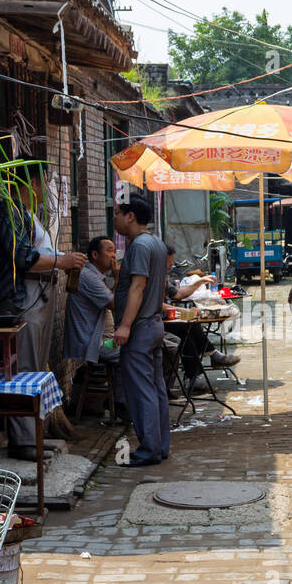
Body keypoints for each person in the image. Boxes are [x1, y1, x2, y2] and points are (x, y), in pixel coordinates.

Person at [0, 162, 85, 462]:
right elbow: (23, 258)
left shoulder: (28, 214)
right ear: (30, 182)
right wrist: (62, 261)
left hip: (38, 294)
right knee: (24, 369)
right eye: (43, 181)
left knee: (34, 367)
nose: (46, 188)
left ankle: (34, 436)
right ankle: (23, 441)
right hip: (21, 299)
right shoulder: (9, 210)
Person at [113, 197, 170, 466]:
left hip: (140, 327)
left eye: (117, 214)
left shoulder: (139, 246)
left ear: (130, 216)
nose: (114, 219)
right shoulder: (157, 244)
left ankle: (148, 450)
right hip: (154, 323)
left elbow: (138, 286)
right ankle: (160, 446)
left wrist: (124, 325)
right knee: (157, 388)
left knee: (142, 391)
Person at [163, 246, 239, 390]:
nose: (170, 265)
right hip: (155, 321)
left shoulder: (162, 278)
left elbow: (178, 294)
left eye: (172, 261)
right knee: (188, 326)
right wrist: (181, 310)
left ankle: (195, 376)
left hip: (167, 317)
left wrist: (199, 282)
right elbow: (155, 304)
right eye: (168, 261)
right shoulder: (149, 277)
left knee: (191, 324)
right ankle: (212, 356)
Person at [63, 237, 118, 364]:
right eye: (110, 251)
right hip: (94, 345)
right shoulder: (87, 276)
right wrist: (118, 278)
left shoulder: (96, 276)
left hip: (102, 340)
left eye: (115, 251)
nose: (114, 256)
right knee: (138, 352)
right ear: (95, 254)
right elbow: (114, 304)